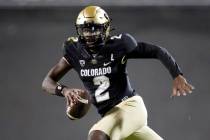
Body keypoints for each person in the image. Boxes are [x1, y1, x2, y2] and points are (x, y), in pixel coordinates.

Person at [42, 6, 194, 140]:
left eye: (95, 29)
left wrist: (176, 74)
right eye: (86, 29)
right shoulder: (74, 50)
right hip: (111, 116)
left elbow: (156, 51)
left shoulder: (118, 45)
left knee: (96, 135)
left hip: (130, 107)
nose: (90, 34)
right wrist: (64, 90)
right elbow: (47, 82)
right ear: (79, 30)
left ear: (106, 28)